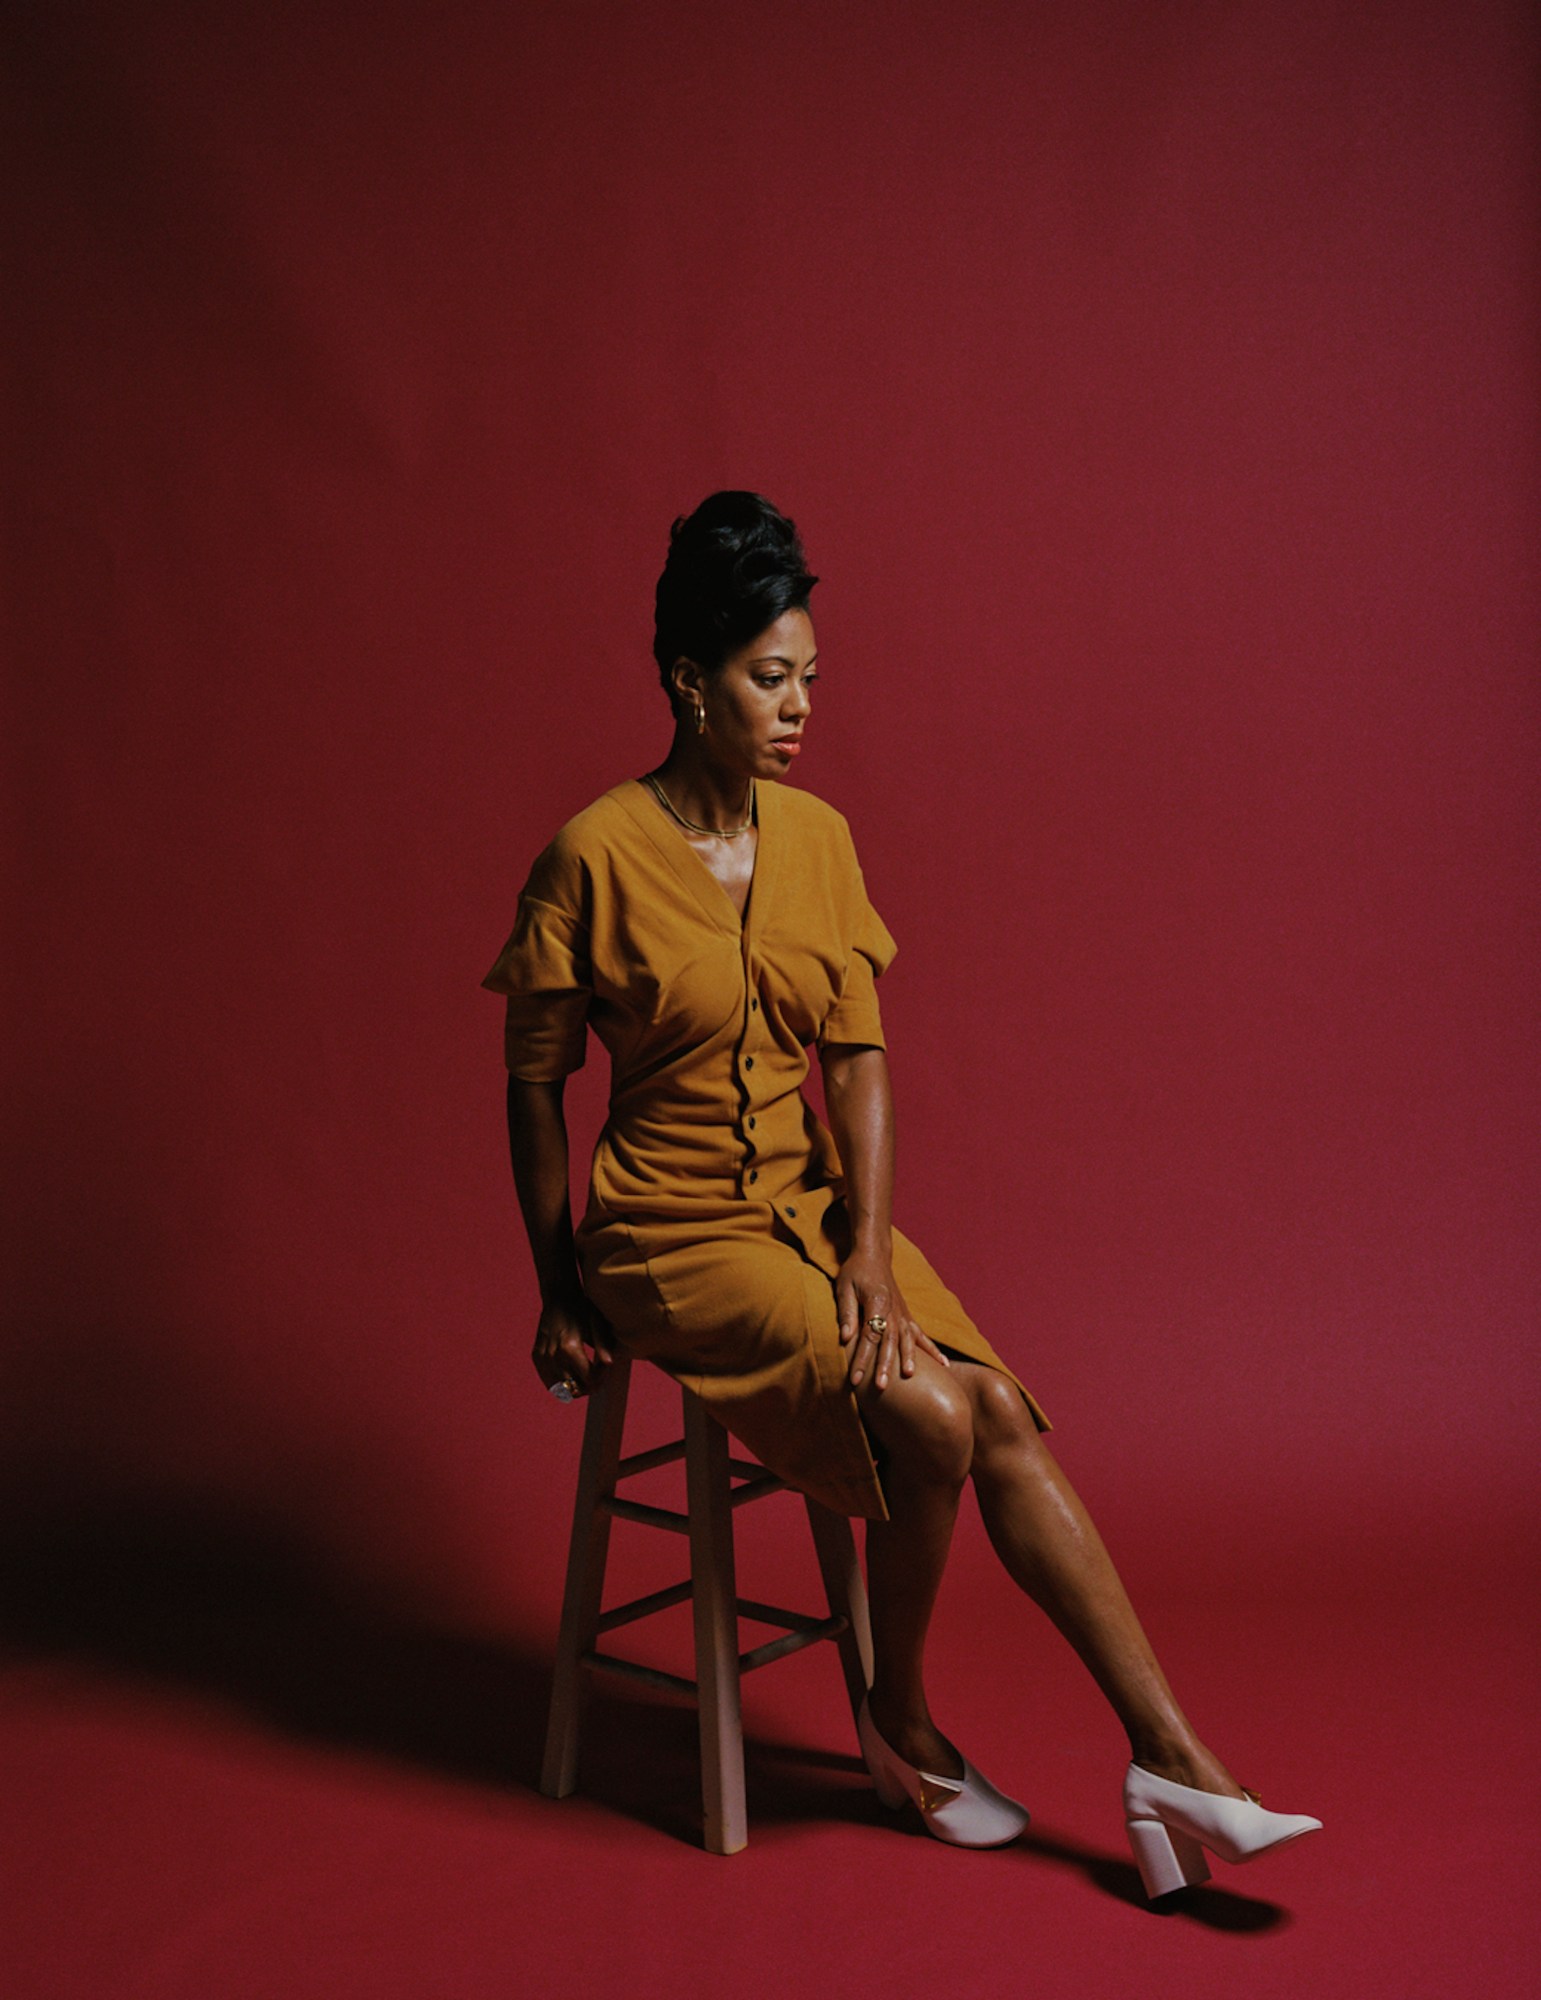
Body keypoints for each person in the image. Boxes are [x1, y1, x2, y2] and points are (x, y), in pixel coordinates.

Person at [482, 491, 1321, 1895]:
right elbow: (531, 1084)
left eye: (810, 676)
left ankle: (1173, 1762)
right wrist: (555, 1284)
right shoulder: (591, 855)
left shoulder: (820, 839)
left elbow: (859, 1062)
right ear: (689, 681)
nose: (799, 706)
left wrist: (867, 1256)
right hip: (670, 1234)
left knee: (992, 1403)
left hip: (814, 1214)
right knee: (932, 1411)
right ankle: (901, 1716)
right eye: (769, 678)